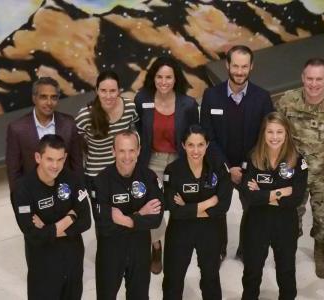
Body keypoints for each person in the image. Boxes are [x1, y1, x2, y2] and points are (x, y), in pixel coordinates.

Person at [274, 57, 324, 278]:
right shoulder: (286, 102)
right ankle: (289, 247)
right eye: (309, 78)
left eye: (319, 79)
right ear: (302, 78)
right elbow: (273, 134)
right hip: (294, 174)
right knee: (291, 213)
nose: (313, 84)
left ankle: (320, 247)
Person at [200, 44, 274, 260]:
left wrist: (242, 167)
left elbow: (266, 138)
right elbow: (207, 136)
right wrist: (227, 167)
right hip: (219, 166)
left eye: (244, 66)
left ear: (251, 67)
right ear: (227, 65)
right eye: (235, 66)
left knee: (251, 211)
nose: (239, 72)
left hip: (249, 168)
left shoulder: (262, 98)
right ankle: (219, 248)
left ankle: (245, 248)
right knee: (216, 210)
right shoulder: (211, 96)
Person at [135, 56, 199, 274]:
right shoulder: (142, 99)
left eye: (168, 77)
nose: (163, 81)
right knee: (152, 206)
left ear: (176, 78)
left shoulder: (188, 104)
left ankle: (177, 247)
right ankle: (156, 245)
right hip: (151, 160)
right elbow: (135, 127)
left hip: (178, 161)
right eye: (159, 76)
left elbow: (194, 135)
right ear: (153, 77)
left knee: (178, 205)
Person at [11, 134, 91, 300]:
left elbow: (86, 221)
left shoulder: (73, 179)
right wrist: (70, 217)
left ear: (65, 158)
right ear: (38, 157)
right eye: (50, 159)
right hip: (43, 266)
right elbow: (33, 235)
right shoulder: (22, 190)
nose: (55, 165)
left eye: (60, 159)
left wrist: (49, 229)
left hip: (72, 262)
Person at [240, 112, 308, 299]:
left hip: (285, 223)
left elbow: (296, 198)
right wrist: (280, 192)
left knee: (286, 271)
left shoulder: (298, 161)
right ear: (263, 133)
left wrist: (262, 193)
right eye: (270, 132)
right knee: (252, 270)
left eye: (280, 132)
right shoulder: (252, 158)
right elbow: (248, 196)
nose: (275, 137)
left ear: (287, 134)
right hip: (256, 222)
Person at [161, 125, 232, 300]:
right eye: (191, 145)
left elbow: (222, 205)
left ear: (207, 144)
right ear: (183, 145)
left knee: (211, 277)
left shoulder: (219, 167)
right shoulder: (173, 170)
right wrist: (207, 203)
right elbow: (174, 209)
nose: (196, 150)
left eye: (200, 144)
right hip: (180, 230)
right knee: (173, 278)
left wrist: (188, 207)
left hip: (210, 229)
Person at [93, 129, 164, 300]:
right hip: (110, 251)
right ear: (113, 151)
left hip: (139, 250)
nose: (127, 156)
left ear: (139, 150)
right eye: (122, 151)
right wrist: (141, 214)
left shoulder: (149, 177)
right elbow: (104, 225)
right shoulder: (101, 181)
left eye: (132, 150)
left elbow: (155, 219)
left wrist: (125, 219)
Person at [75, 71, 139, 222]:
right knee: (103, 221)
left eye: (112, 91)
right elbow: (75, 143)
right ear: (97, 90)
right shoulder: (85, 116)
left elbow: (135, 132)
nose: (108, 96)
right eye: (103, 91)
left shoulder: (129, 108)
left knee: (128, 215)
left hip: (125, 173)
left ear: (119, 90)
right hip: (97, 176)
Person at [6, 77, 82, 192]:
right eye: (43, 97)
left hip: (66, 193)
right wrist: (21, 204)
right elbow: (14, 172)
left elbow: (77, 165)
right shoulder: (17, 129)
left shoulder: (69, 123)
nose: (49, 102)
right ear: (34, 98)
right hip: (34, 195)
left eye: (53, 97)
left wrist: (78, 196)